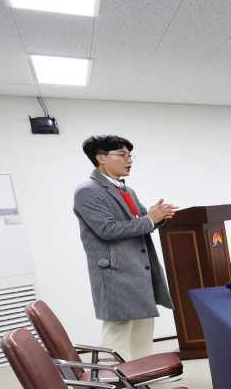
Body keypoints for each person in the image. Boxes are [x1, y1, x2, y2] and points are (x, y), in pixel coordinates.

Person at [73, 134, 177, 360]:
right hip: (116, 272)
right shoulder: (88, 191)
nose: (129, 160)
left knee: (143, 326)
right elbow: (107, 230)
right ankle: (112, 377)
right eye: (122, 155)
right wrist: (149, 219)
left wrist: (157, 216)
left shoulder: (126, 190)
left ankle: (144, 372)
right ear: (101, 158)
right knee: (118, 331)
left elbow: (142, 220)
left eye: (130, 155)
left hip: (138, 268)